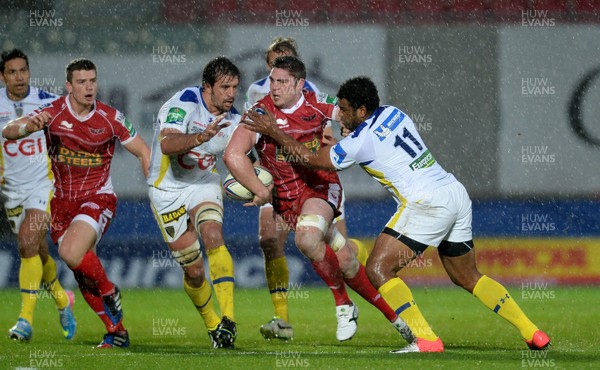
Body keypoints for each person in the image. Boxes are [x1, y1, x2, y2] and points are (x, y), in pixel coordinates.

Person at [243, 75, 551, 353]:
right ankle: (532, 332)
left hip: (426, 203)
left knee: (378, 269)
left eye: (346, 110)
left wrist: (273, 131)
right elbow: (370, 144)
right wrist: (344, 140)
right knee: (468, 276)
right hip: (454, 192)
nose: (341, 116)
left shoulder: (359, 141)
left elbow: (313, 160)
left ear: (362, 111)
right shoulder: (393, 112)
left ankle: (426, 339)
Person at [225, 57, 410, 343]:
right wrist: (258, 190)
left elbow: (355, 113)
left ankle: (343, 304)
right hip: (285, 200)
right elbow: (233, 154)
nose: (275, 88)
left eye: (283, 82)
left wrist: (354, 132)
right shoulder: (261, 113)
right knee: (348, 262)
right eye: (272, 81)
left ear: (299, 84)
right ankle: (401, 323)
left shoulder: (317, 102)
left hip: (319, 186)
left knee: (307, 239)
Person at [2, 58, 150, 349]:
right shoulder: (52, 113)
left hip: (97, 199)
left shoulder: (110, 118)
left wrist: (155, 189)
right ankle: (116, 331)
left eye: (92, 81)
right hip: (62, 204)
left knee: (70, 252)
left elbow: (144, 151)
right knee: (82, 273)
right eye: (81, 82)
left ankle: (109, 291)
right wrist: (29, 126)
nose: (89, 87)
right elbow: (8, 130)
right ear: (69, 86)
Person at [245, 37, 369, 341]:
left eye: (285, 59)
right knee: (270, 240)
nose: (278, 68)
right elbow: (251, 133)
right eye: (274, 61)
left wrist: (334, 138)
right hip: (277, 177)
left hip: (315, 179)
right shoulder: (255, 91)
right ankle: (282, 319)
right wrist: (253, 173)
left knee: (340, 249)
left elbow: (327, 130)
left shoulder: (312, 92)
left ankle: (347, 301)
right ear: (267, 64)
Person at [147, 56, 240, 349]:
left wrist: (260, 189)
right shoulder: (183, 102)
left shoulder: (234, 120)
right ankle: (214, 327)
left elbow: (248, 160)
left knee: (213, 235)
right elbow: (167, 144)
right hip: (167, 190)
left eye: (235, 87)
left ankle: (229, 319)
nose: (231, 94)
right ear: (207, 87)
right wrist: (201, 136)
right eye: (224, 87)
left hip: (203, 182)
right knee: (194, 271)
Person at [0, 49, 76, 341]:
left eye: (23, 70)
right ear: (3, 76)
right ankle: (61, 299)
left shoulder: (47, 102)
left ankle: (24, 321)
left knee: (26, 243)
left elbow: (71, 131)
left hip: (42, 186)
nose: (19, 77)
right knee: (37, 250)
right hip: (11, 192)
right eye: (12, 72)